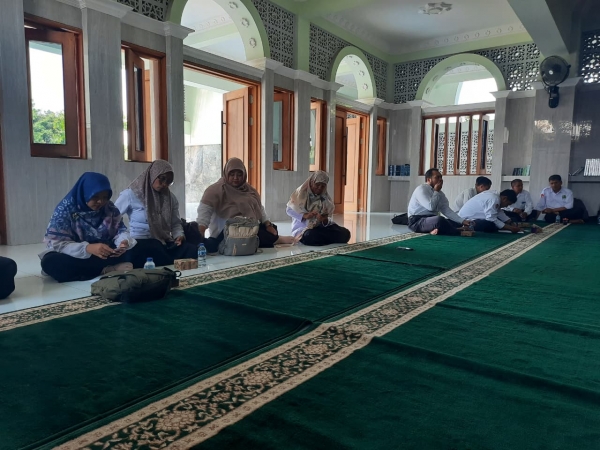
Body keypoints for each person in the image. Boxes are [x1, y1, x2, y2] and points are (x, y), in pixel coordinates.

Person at [40, 172, 135, 282]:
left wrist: (123, 243)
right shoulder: (65, 210)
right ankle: (105, 269)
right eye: (95, 197)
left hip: (105, 252)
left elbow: (120, 230)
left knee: (145, 247)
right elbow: (57, 243)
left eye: (105, 197)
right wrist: (88, 248)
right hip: (77, 255)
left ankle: (96, 267)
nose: (100, 201)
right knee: (50, 262)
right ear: (84, 193)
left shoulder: (109, 208)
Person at [197, 157, 295, 253]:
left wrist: (268, 224)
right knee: (212, 245)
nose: (235, 178)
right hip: (225, 233)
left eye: (239, 174)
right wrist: (200, 233)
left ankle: (274, 239)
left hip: (248, 230)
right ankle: (275, 240)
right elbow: (204, 213)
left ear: (244, 175)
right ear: (226, 174)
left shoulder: (249, 190)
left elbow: (260, 209)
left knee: (269, 231)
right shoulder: (215, 190)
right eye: (232, 174)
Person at [115, 160, 197, 268]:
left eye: (169, 182)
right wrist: (123, 237)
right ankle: (166, 261)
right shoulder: (132, 194)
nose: (164, 184)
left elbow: (175, 223)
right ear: (153, 174)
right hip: (141, 242)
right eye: (162, 179)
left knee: (191, 250)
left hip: (163, 241)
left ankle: (164, 261)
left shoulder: (170, 198)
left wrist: (179, 235)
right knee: (151, 248)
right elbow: (113, 218)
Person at [286, 171, 351, 246]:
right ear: (311, 183)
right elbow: (289, 210)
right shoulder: (300, 195)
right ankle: (326, 239)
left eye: (323, 186)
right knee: (310, 235)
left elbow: (327, 220)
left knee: (345, 233)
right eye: (317, 184)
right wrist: (305, 215)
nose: (320, 188)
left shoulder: (325, 199)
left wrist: (323, 220)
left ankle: (323, 239)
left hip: (321, 227)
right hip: (305, 228)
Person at [407, 168, 472, 235]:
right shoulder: (421, 189)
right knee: (439, 220)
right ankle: (459, 232)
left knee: (455, 222)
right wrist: (436, 191)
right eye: (437, 177)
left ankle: (434, 230)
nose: (440, 179)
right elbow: (431, 207)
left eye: (441, 177)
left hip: (431, 220)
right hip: (417, 221)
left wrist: (462, 221)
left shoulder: (440, 194)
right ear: (429, 180)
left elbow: (446, 210)